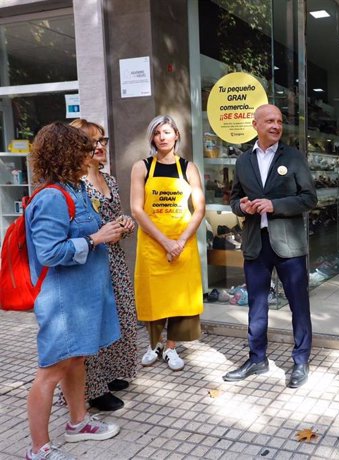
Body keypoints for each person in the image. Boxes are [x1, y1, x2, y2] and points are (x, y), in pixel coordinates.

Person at [25, 122, 125, 460]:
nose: (93, 154)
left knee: (76, 360)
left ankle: (78, 423)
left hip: (81, 298)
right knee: (51, 371)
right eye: (86, 150)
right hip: (62, 302)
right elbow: (49, 253)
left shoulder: (77, 189)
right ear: (67, 155)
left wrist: (112, 230)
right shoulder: (53, 196)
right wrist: (96, 238)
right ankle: (38, 449)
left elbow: (88, 231)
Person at [223, 104, 317, 388]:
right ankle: (257, 359)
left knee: (299, 305)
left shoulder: (294, 157)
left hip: (289, 246)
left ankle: (301, 361)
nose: (276, 126)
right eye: (270, 121)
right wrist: (241, 206)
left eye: (279, 121)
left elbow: (309, 198)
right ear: (255, 125)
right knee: (257, 305)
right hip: (255, 243)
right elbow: (234, 199)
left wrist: (274, 205)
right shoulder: (243, 161)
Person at [66, 119, 138, 411]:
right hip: (90, 261)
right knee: (94, 322)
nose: (99, 147)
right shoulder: (75, 183)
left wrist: (126, 224)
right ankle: (92, 389)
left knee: (120, 316)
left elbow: (116, 218)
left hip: (115, 259)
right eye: (92, 141)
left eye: (102, 140)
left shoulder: (109, 180)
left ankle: (108, 374)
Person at [130, 115, 205, 371]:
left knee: (177, 298)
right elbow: (137, 210)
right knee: (154, 297)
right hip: (153, 243)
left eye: (166, 132)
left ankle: (171, 348)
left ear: (176, 136)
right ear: (152, 138)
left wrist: (180, 241)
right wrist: (165, 242)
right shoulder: (141, 167)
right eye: (157, 133)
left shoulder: (188, 168)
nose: (162, 137)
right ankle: (155, 344)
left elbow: (199, 208)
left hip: (182, 243)